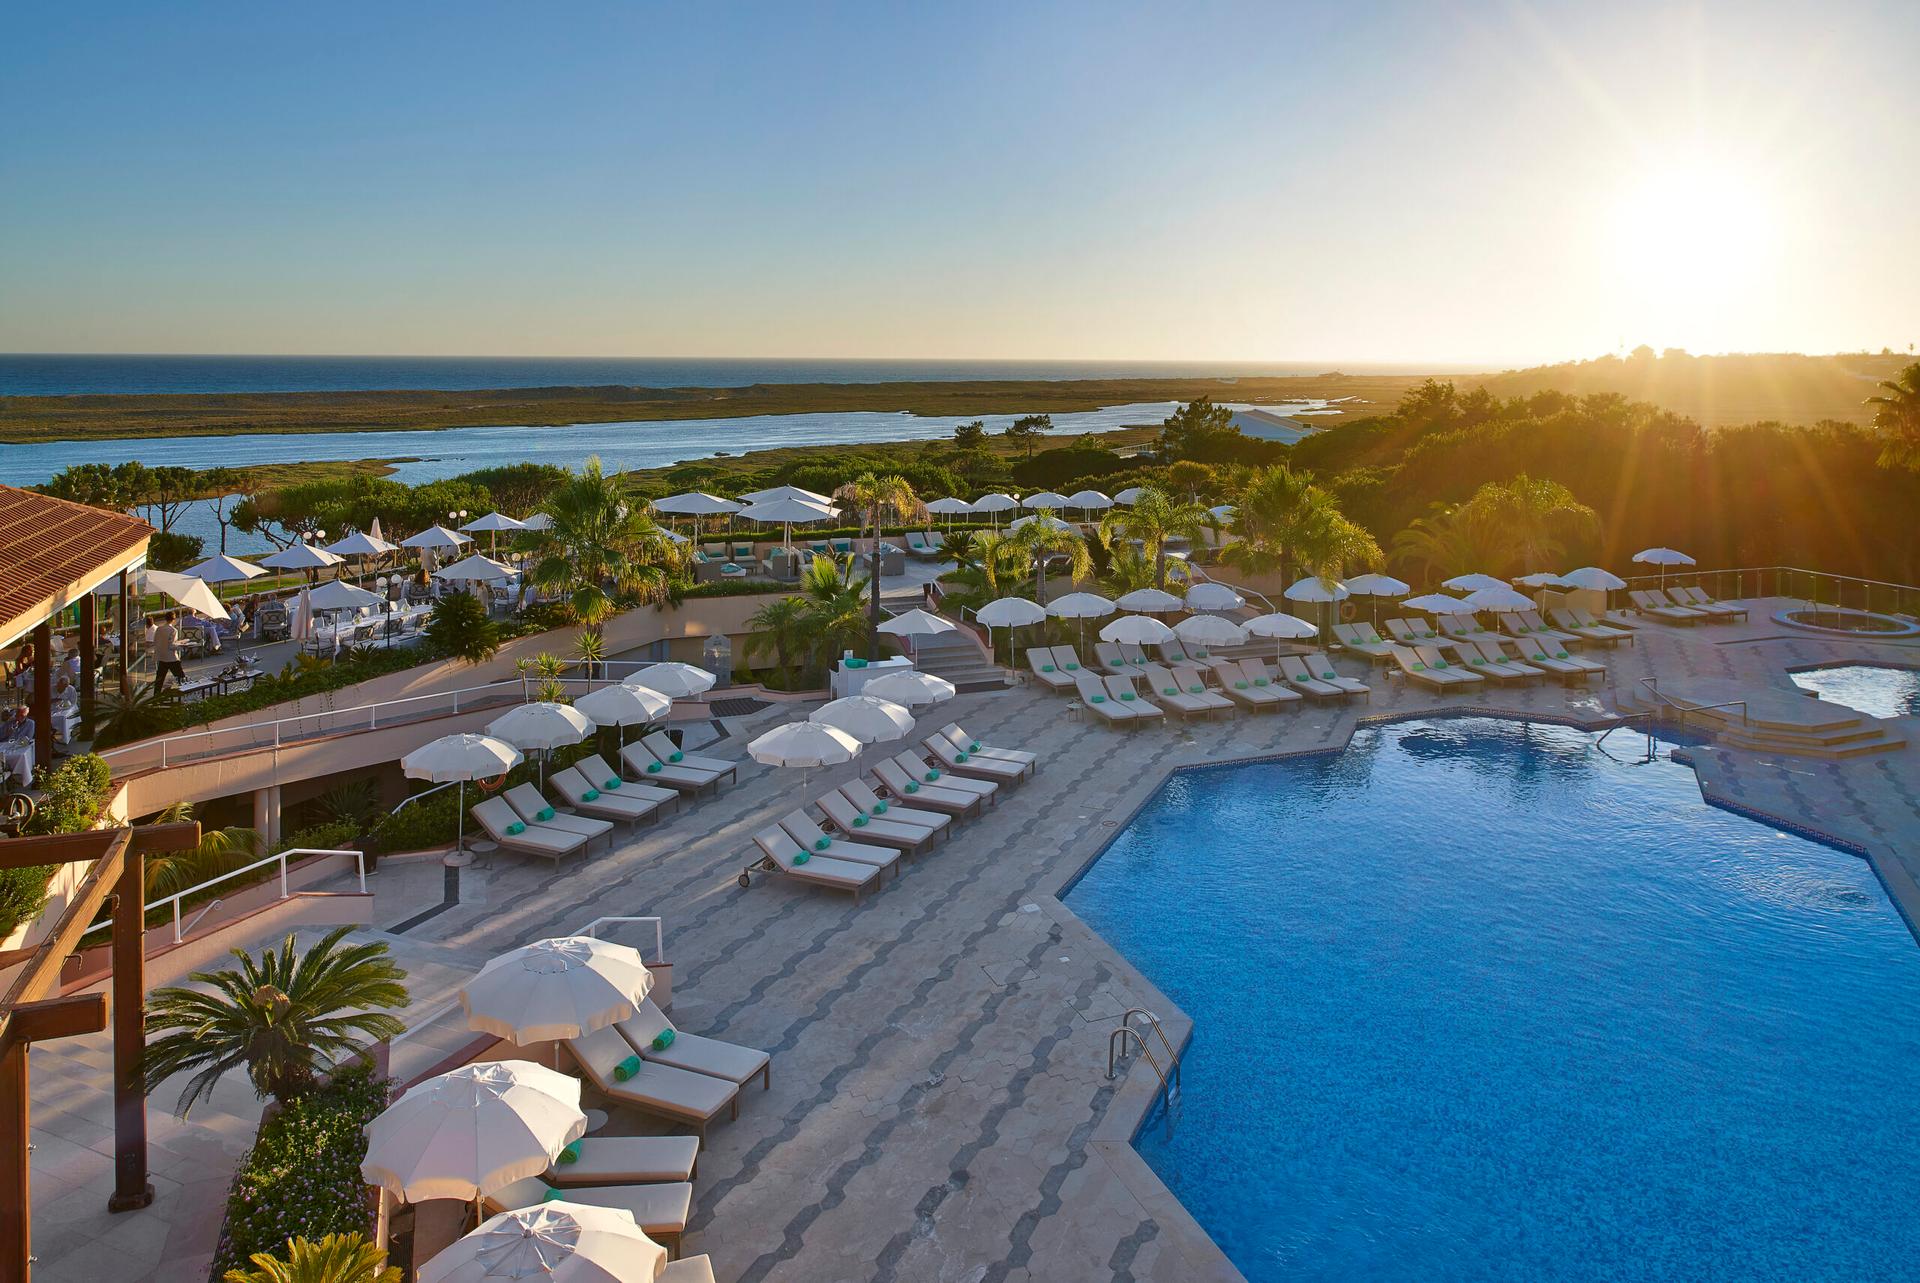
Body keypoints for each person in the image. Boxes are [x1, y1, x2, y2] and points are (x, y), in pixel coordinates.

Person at [152, 613, 185, 693]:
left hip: (162, 656)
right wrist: (181, 647)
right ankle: (183, 694)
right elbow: (171, 645)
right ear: (173, 620)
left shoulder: (159, 629)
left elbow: (155, 640)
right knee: (181, 677)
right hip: (171, 658)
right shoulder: (173, 630)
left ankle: (156, 697)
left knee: (159, 679)